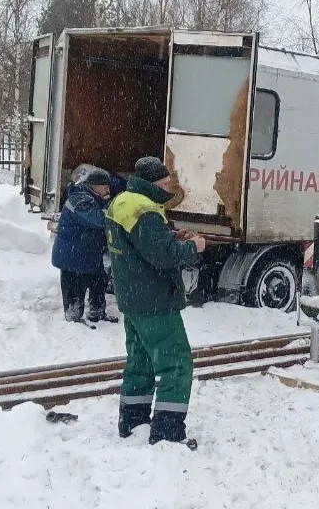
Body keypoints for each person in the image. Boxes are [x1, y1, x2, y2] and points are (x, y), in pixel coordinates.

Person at [106, 156, 207, 445]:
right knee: (176, 364)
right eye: (164, 183)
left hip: (133, 298)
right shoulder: (145, 211)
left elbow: (139, 241)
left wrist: (171, 235)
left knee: (140, 363)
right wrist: (191, 246)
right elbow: (162, 256)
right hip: (155, 302)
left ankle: (133, 421)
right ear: (151, 183)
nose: (168, 188)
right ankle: (167, 433)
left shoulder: (123, 202)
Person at [52, 167, 117, 325]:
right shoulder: (79, 199)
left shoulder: (90, 197)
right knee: (75, 289)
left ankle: (97, 313)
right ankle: (73, 319)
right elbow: (98, 219)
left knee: (98, 282)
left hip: (87, 253)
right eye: (105, 187)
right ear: (94, 186)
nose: (107, 190)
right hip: (72, 255)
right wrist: (117, 208)